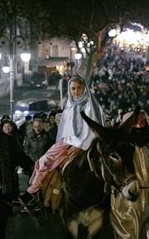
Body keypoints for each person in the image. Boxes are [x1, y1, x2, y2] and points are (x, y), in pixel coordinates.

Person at [15, 75, 105, 212]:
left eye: (78, 88)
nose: (76, 92)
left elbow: (91, 128)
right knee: (42, 162)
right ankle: (34, 192)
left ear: (84, 89)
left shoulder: (89, 106)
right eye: (73, 89)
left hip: (81, 143)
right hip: (66, 142)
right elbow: (66, 128)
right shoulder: (70, 106)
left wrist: (80, 145)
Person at [110, 111, 149, 239]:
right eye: (136, 123)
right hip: (126, 198)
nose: (139, 126)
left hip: (147, 197)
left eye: (142, 122)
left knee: (144, 232)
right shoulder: (121, 148)